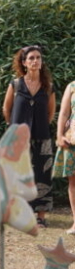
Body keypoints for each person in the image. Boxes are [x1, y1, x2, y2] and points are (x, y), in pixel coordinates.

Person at [3, 46, 55, 228]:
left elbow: (51, 112)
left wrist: (40, 127)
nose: (35, 61)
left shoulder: (48, 86)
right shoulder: (16, 85)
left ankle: (40, 216)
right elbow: (6, 108)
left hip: (42, 138)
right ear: (24, 63)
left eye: (38, 58)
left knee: (42, 176)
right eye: (31, 58)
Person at [53, 80, 75, 235]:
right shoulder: (72, 86)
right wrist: (59, 135)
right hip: (73, 139)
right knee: (73, 182)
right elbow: (64, 112)